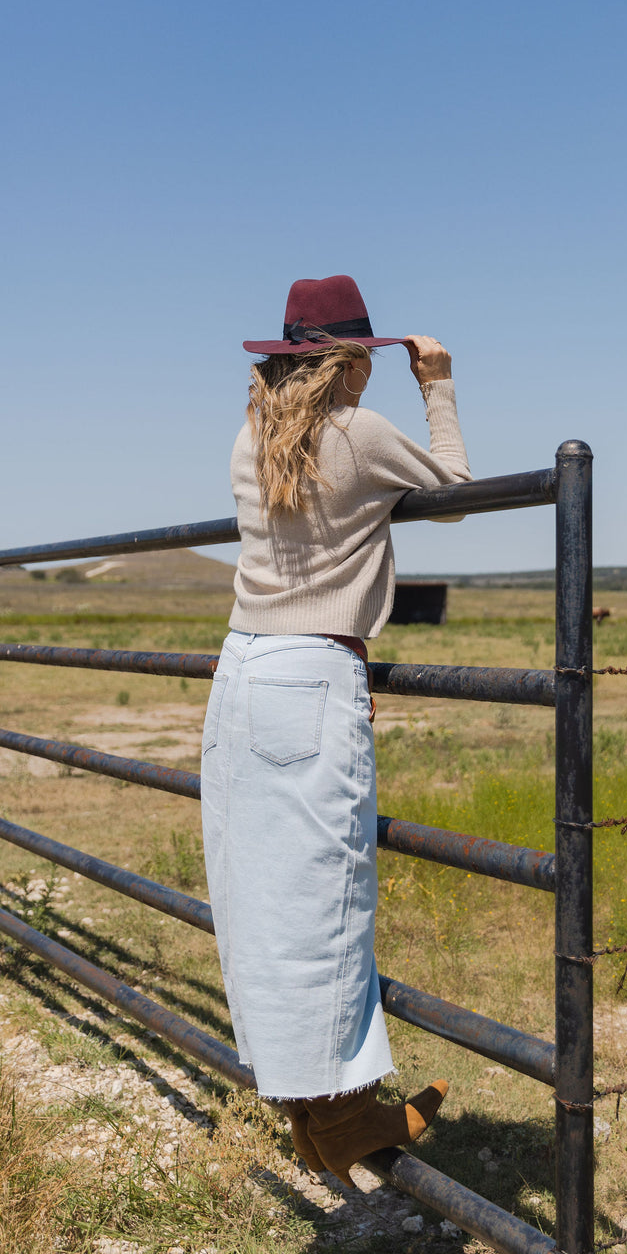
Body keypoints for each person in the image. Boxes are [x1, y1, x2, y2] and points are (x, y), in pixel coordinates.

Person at [200, 274, 471, 1186]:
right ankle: (346, 1114)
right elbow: (459, 493)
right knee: (327, 895)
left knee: (262, 897)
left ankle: (311, 1115)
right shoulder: (359, 433)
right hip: (313, 671)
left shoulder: (251, 437)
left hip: (241, 670)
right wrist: (438, 384)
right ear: (354, 361)